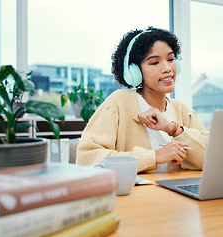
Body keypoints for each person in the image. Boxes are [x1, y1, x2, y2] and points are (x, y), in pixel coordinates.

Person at [76, 27, 209, 172]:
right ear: (135, 72)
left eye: (171, 59)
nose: (167, 69)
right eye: (154, 62)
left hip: (176, 194)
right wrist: (154, 157)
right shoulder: (119, 103)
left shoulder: (183, 110)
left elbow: (212, 158)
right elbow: (86, 158)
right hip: (136, 194)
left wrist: (172, 129)